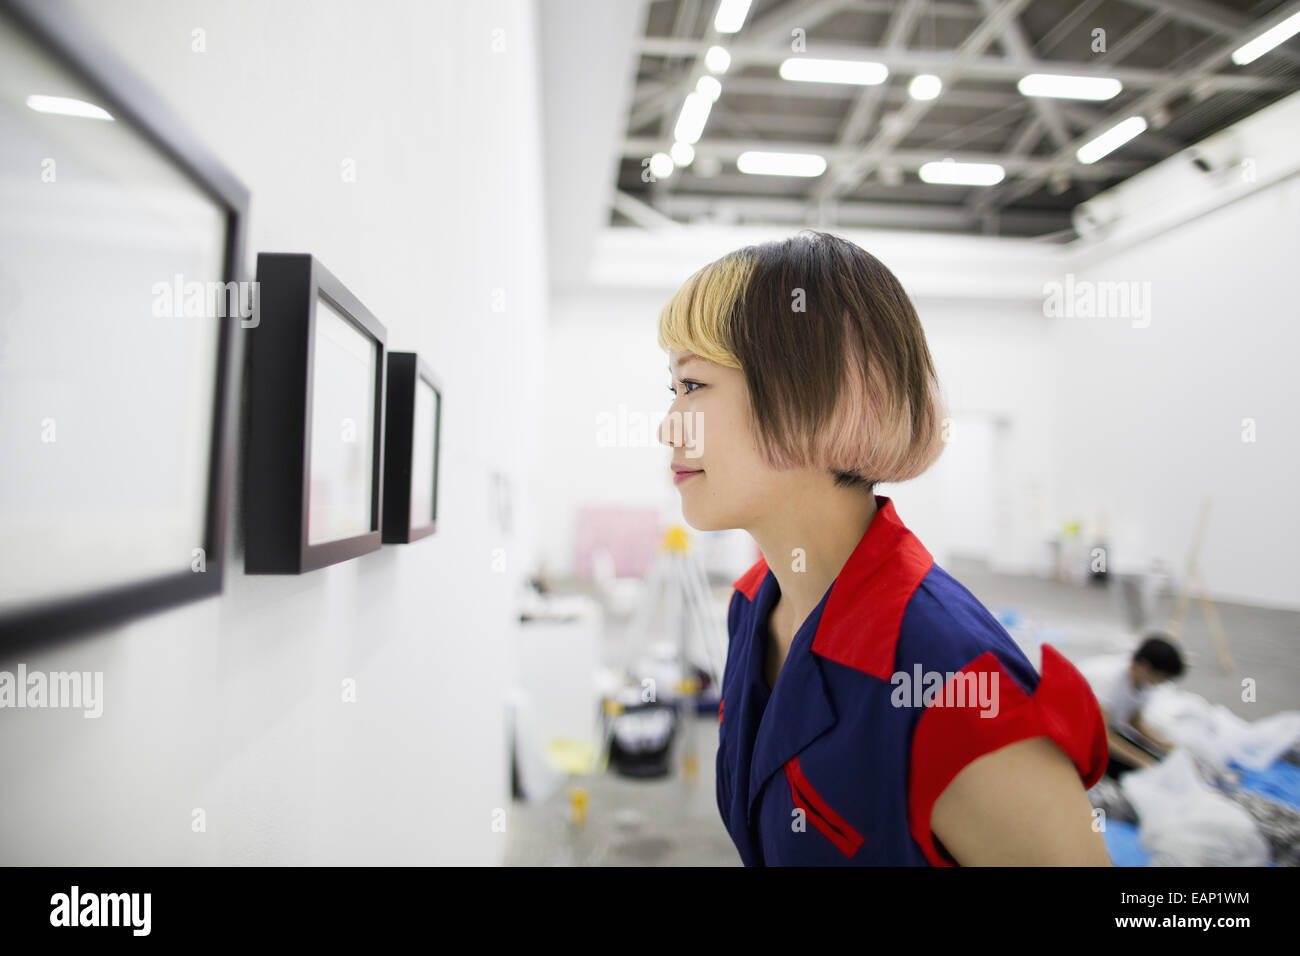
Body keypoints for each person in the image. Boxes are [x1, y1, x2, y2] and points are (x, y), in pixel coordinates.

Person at [657, 230, 1111, 866]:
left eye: (694, 386)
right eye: (671, 391)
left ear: (818, 393)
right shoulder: (753, 605)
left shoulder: (956, 686)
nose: (666, 425)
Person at [1080, 634, 1184, 780]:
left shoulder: (1142, 682)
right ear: (1145, 666)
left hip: (1103, 731)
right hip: (1080, 735)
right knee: (1138, 770)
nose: (1162, 683)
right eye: (1162, 677)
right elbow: (1102, 737)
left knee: (1159, 761)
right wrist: (1143, 762)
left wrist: (1167, 746)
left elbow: (1134, 721)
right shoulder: (1108, 679)